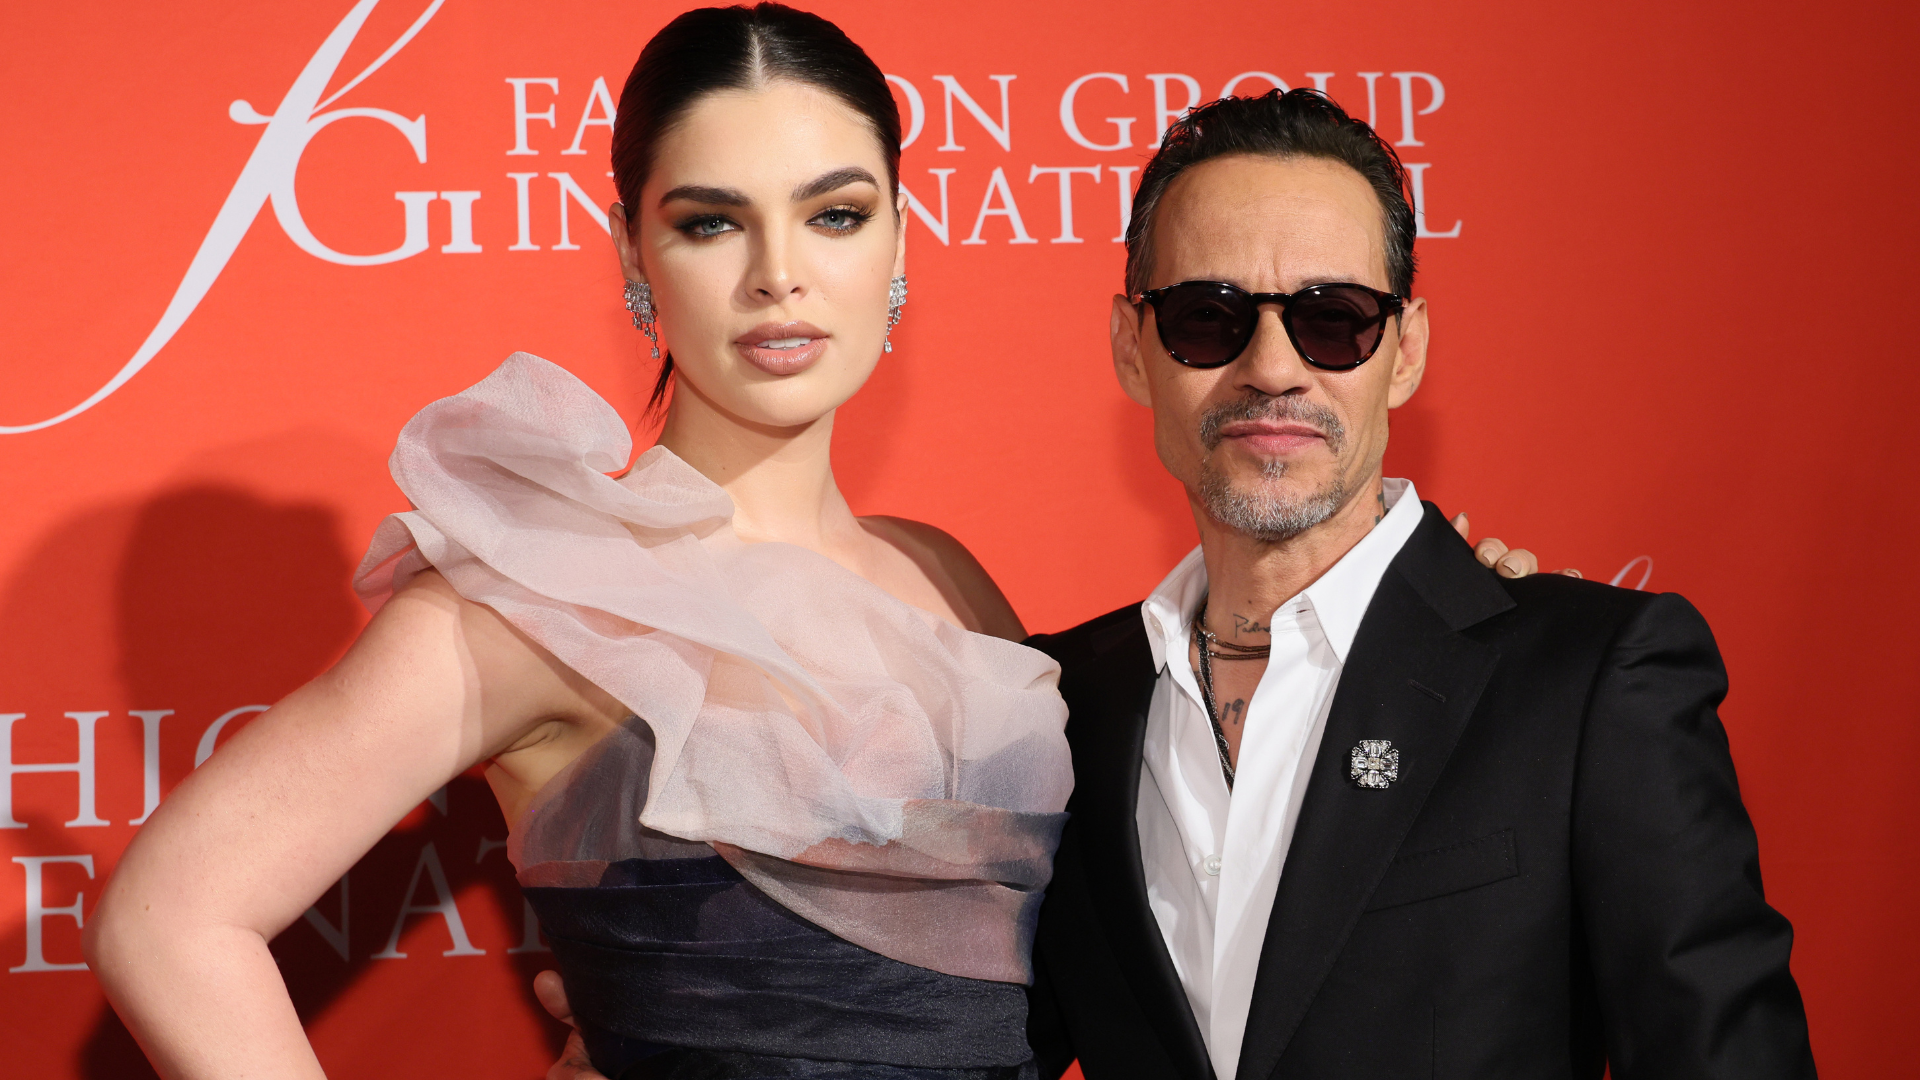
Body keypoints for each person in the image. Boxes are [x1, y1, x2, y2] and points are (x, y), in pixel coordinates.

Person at [88, 7, 1548, 1079]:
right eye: (711, 223)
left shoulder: (949, 582)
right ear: (633, 256)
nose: (780, 276)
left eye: (835, 215)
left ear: (899, 244)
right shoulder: (538, 599)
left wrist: (1405, 622)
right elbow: (173, 918)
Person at [1013, 91, 1814, 1078]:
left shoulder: (1587, 682)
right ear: (1132, 348)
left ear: (1407, 351)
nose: (1273, 368)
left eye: (1334, 320)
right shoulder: (1057, 712)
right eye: (1207, 318)